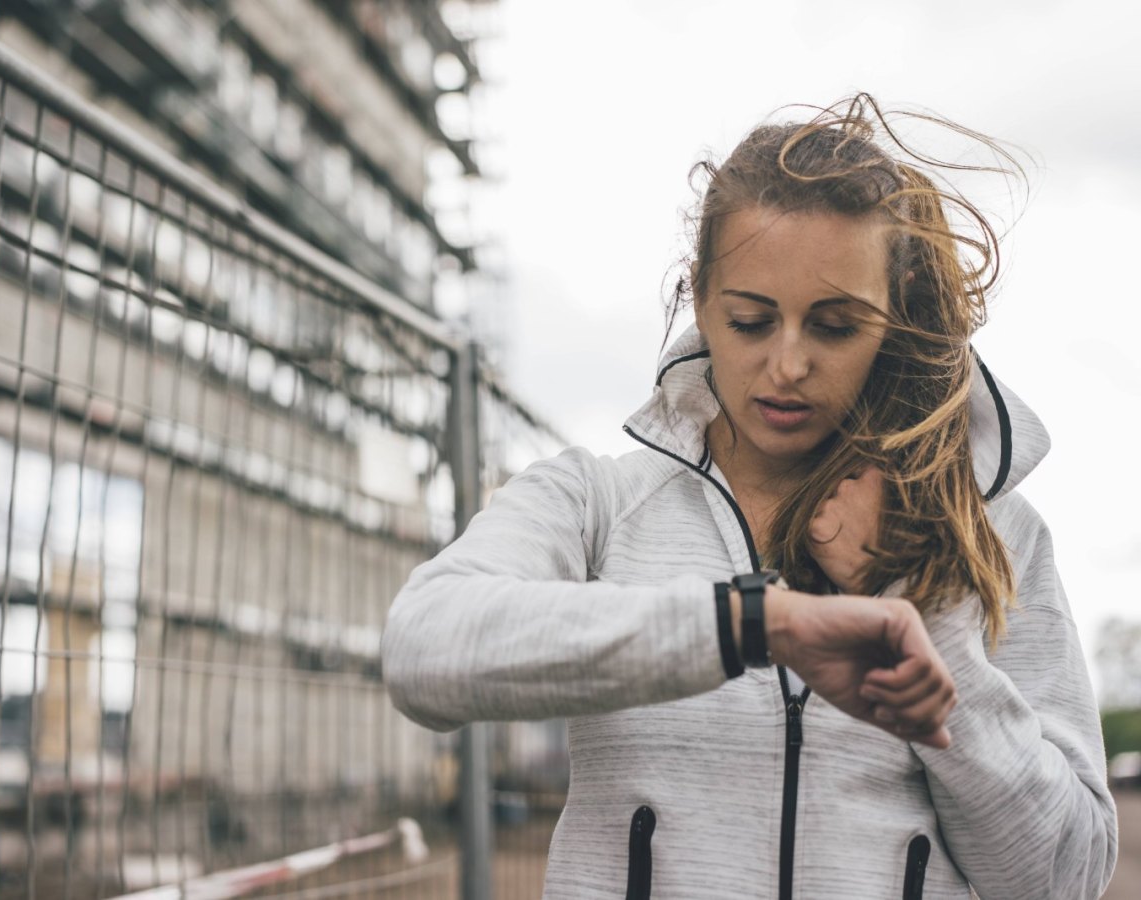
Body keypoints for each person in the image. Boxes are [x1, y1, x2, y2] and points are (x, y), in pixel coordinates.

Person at [380, 95, 1118, 898]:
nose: (788, 364)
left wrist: (925, 619)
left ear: (894, 324)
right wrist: (753, 623)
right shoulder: (595, 503)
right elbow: (425, 648)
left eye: (835, 326)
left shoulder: (996, 534)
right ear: (700, 300)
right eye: (751, 321)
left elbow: (1065, 875)